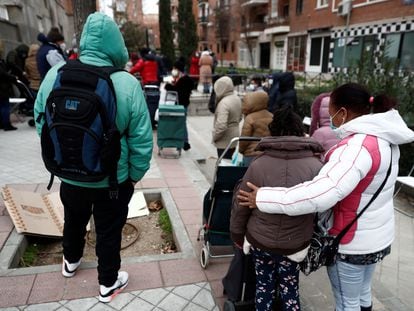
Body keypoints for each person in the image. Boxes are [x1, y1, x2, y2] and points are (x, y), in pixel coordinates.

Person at [237, 83, 414, 311]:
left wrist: (263, 197)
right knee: (362, 295)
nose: (330, 118)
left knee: (347, 302)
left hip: (352, 241)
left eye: (331, 112)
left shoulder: (357, 148)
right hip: (378, 237)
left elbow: (319, 195)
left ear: (343, 113)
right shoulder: (385, 140)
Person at [34, 12, 153, 303]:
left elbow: (41, 120)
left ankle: (70, 262)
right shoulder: (126, 83)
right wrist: (134, 175)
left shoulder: (56, 74)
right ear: (117, 45)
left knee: (73, 219)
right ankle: (107, 284)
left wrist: (62, 157)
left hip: (69, 173)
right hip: (112, 179)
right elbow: (141, 139)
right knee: (109, 230)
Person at [231, 105, 324, 311]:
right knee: (290, 288)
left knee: (263, 287)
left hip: (261, 240)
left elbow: (242, 204)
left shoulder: (258, 164)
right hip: (296, 243)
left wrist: (237, 234)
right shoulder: (316, 166)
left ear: (272, 130)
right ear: (300, 131)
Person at [164, 60, 194, 151]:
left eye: (174, 68)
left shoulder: (183, 80)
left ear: (178, 69)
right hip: (183, 103)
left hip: (181, 104)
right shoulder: (185, 79)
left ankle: (184, 142)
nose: (173, 70)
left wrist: (168, 86)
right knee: (182, 122)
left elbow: (177, 91)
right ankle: (183, 142)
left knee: (181, 123)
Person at [239, 91, 273, 166]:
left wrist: (241, 150)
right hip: (268, 155)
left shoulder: (250, 118)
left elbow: (244, 140)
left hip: (251, 155)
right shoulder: (272, 116)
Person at [212, 76, 242, 159]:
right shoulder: (237, 98)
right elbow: (240, 117)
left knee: (223, 164)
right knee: (228, 161)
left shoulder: (223, 103)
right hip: (234, 137)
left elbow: (221, 125)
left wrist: (215, 137)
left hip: (224, 140)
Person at [0, 40, 18, 131]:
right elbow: (2, 73)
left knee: (2, 105)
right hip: (2, 87)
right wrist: (12, 77)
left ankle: (2, 124)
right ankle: (6, 124)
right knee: (5, 106)